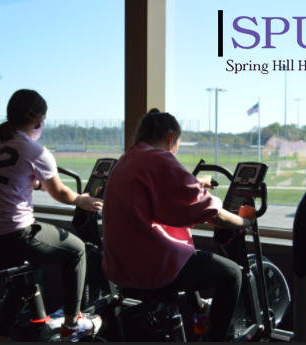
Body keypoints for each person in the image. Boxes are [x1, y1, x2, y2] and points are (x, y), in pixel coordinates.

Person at [101, 109, 256, 342]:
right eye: (177, 144)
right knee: (233, 274)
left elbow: (159, 191)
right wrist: (247, 221)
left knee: (183, 249)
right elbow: (215, 215)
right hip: (151, 270)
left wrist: (197, 182)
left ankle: (201, 310)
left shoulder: (127, 160)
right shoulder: (159, 158)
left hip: (120, 269)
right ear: (171, 137)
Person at [0, 89, 103, 342]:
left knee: (25, 277)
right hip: (13, 235)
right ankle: (72, 323)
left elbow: (8, 176)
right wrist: (82, 200)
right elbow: (61, 193)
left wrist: (34, 181)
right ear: (36, 120)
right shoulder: (35, 150)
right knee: (77, 250)